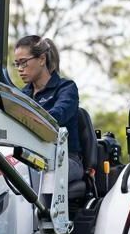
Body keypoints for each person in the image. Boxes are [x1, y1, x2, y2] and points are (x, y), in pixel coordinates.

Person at [13, 35, 83, 183]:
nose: (20, 69)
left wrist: (27, 119)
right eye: (17, 64)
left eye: (24, 63)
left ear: (42, 59)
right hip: (32, 157)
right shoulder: (22, 95)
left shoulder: (66, 88)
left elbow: (57, 116)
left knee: (39, 176)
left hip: (65, 159)